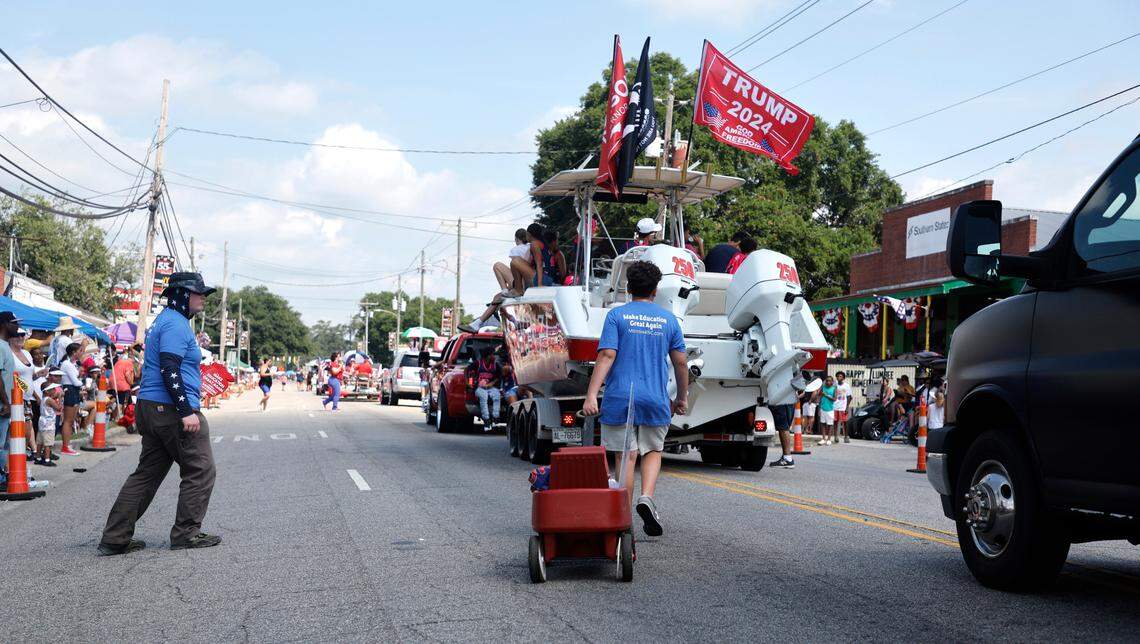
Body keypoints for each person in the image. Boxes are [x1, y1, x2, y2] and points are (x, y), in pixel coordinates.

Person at [99, 272, 221, 555]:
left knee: (147, 473)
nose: (202, 297)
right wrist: (186, 410)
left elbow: (170, 366)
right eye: (198, 292)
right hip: (170, 410)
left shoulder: (163, 323)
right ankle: (186, 533)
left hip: (150, 406)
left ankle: (115, 537)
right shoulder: (177, 325)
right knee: (201, 469)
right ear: (181, 294)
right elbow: (169, 368)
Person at [582, 261, 687, 537]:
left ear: (629, 288)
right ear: (656, 290)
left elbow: (606, 356)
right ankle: (647, 497)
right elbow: (681, 364)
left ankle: (622, 520)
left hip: (620, 397)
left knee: (625, 457)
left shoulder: (617, 316)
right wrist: (682, 398)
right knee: (652, 450)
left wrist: (592, 394)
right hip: (655, 397)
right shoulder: (669, 320)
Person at [58, 342, 85, 456]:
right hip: (70, 390)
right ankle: (65, 446)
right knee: (68, 421)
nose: (81, 353)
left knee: (71, 420)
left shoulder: (72, 363)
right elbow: (76, 381)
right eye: (80, 351)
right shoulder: (67, 364)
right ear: (74, 352)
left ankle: (67, 444)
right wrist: (82, 383)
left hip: (73, 390)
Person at [0, 312, 17, 482]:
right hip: (2, 403)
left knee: (4, 442)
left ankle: (2, 477)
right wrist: (5, 402)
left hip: (8, 402)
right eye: (14, 323)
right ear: (5, 324)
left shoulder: (5, 345)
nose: (17, 327)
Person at [472, 346, 501, 429]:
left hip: (490, 387)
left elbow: (499, 376)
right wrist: (468, 382)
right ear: (488, 356)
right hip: (480, 388)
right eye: (493, 355)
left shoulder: (495, 364)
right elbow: (467, 369)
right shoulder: (478, 363)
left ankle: (495, 418)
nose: (494, 356)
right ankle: (486, 420)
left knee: (496, 395)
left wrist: (492, 383)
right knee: (483, 397)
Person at [35, 383, 62, 467]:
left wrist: (55, 398)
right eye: (52, 389)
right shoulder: (50, 400)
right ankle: (47, 459)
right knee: (48, 443)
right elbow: (58, 408)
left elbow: (50, 401)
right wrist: (60, 398)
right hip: (49, 424)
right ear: (47, 391)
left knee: (40, 442)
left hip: (42, 423)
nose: (55, 391)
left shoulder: (44, 399)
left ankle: (38, 457)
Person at [818, 375, 837, 445]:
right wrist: (819, 408)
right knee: (823, 424)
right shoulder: (823, 387)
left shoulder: (834, 388)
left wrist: (827, 396)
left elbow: (835, 399)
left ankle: (829, 439)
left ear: (832, 382)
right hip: (823, 408)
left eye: (829, 381)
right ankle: (823, 438)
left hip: (830, 409)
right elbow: (819, 396)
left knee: (830, 424)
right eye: (827, 380)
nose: (828, 382)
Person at [834, 371, 851, 444]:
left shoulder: (846, 386)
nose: (839, 378)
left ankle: (846, 436)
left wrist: (847, 407)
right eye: (837, 376)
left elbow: (849, 397)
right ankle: (835, 436)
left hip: (843, 407)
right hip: (835, 406)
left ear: (843, 378)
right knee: (835, 422)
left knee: (845, 422)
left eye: (840, 376)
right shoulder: (834, 385)